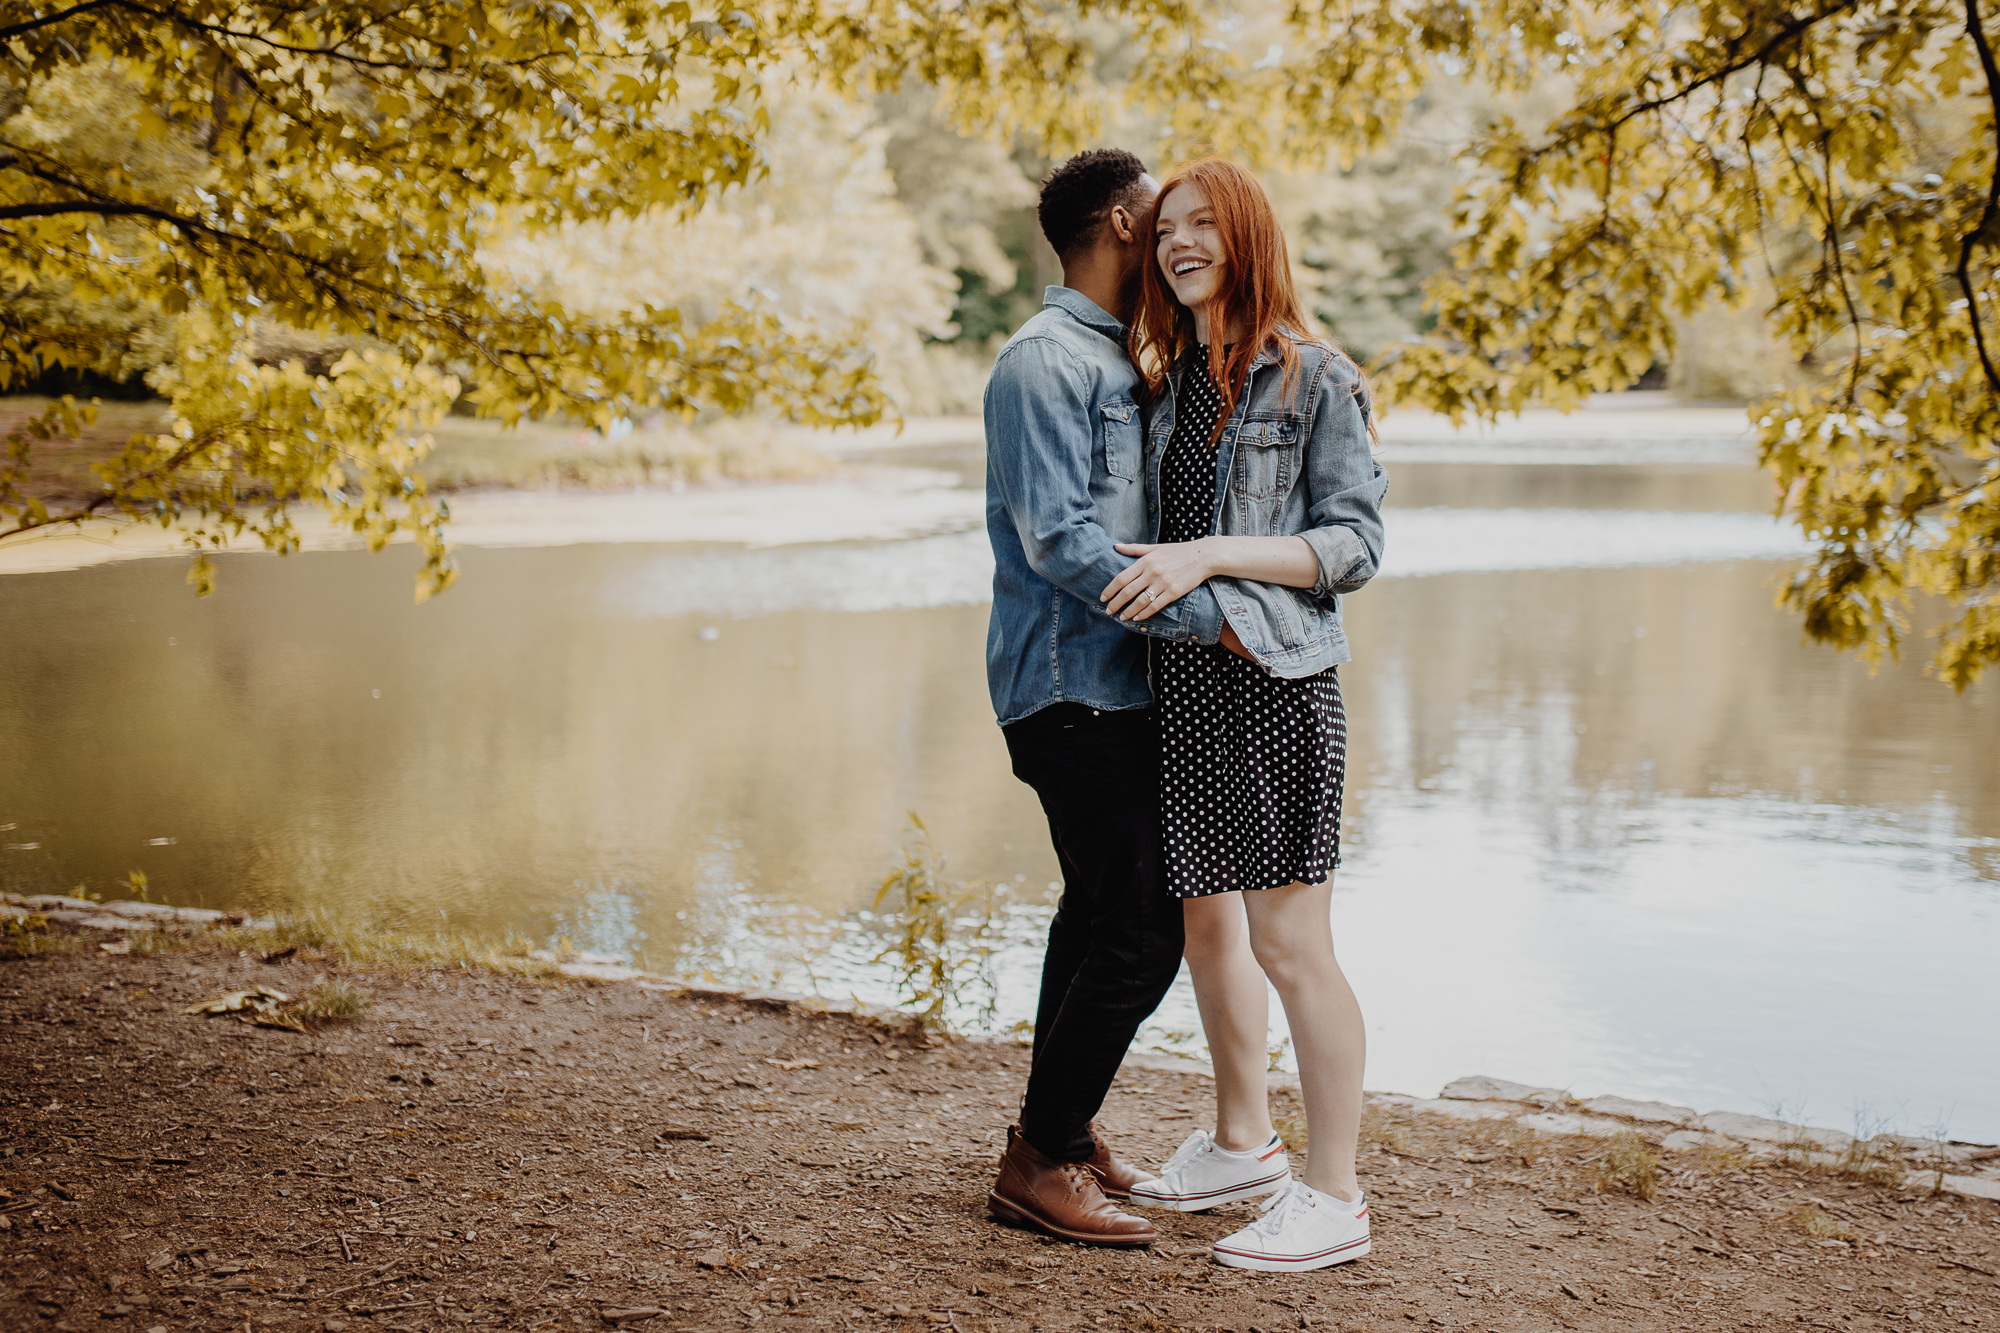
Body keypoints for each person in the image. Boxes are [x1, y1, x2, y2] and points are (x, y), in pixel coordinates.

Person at [1101, 156, 1388, 1272]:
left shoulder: (1312, 378)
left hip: (1273, 689)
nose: (1177, 244)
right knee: (1204, 924)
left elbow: (1353, 546)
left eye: (1201, 226)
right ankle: (1241, 1142)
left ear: (1246, 236)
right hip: (1183, 693)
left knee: (1288, 941)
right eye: (1165, 227)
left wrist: (1211, 553)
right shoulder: (1171, 379)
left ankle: (1335, 1194)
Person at [981, 149, 1238, 1247]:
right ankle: (1034, 1160)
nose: (1176, 232)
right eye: (1163, 216)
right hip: (1066, 687)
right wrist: (1202, 615)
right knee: (1141, 930)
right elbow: (1056, 539)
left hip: (1108, 688)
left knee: (1092, 916)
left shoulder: (1105, 351)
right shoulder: (1043, 362)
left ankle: (1063, 1129)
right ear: (1129, 220)